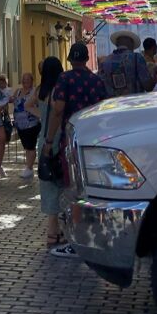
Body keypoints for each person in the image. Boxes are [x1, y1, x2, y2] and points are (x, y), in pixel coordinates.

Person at [42, 41, 108, 258]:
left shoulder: (65, 79)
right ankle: (92, 235)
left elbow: (58, 109)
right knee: (90, 189)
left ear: (70, 60)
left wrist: (49, 140)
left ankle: (75, 239)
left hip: (72, 141)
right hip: (94, 142)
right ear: (86, 60)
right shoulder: (97, 81)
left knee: (73, 190)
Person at [31, 57, 64, 248]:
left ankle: (55, 230)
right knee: (57, 184)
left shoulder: (39, 91)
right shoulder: (56, 92)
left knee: (47, 183)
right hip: (55, 140)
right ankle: (53, 231)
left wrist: (41, 117)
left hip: (42, 139)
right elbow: (58, 114)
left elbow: (28, 105)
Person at [99, 29, 155, 97]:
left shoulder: (104, 62)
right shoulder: (137, 58)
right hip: (135, 104)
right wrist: (153, 72)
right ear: (131, 44)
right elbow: (148, 86)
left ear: (116, 44)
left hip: (113, 105)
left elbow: (101, 89)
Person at [12, 71, 41, 179]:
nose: (25, 83)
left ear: (32, 81)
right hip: (20, 124)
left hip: (32, 123)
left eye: (27, 80)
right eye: (23, 81)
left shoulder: (34, 92)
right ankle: (29, 167)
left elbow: (38, 105)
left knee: (30, 146)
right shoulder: (18, 91)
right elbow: (12, 100)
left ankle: (29, 168)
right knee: (26, 146)